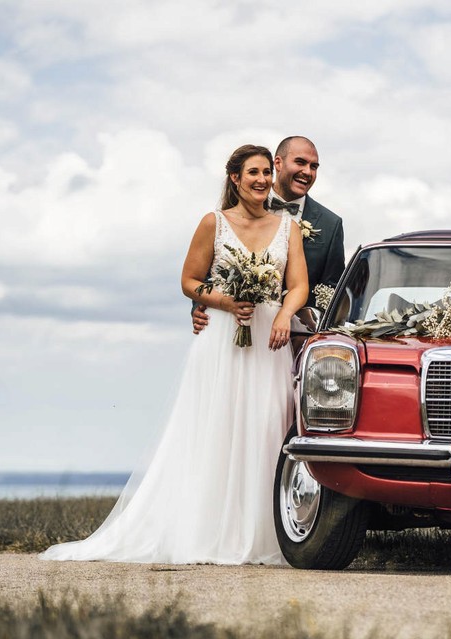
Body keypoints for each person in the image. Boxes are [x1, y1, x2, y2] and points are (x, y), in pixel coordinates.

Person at [41, 144, 308, 564]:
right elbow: (189, 280)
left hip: (268, 344)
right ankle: (206, 530)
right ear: (235, 178)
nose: (261, 180)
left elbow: (299, 285)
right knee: (215, 430)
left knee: (265, 429)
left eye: (265, 173)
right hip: (220, 341)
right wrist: (226, 302)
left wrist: (283, 316)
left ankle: (262, 533)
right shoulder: (213, 222)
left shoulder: (287, 227)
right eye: (252, 172)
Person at [193, 135, 343, 333]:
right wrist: (201, 306)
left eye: (313, 167)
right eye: (300, 162)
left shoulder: (330, 224)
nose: (307, 172)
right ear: (278, 164)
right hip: (231, 325)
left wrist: (306, 324)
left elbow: (333, 292)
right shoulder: (240, 205)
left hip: (299, 337)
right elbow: (208, 269)